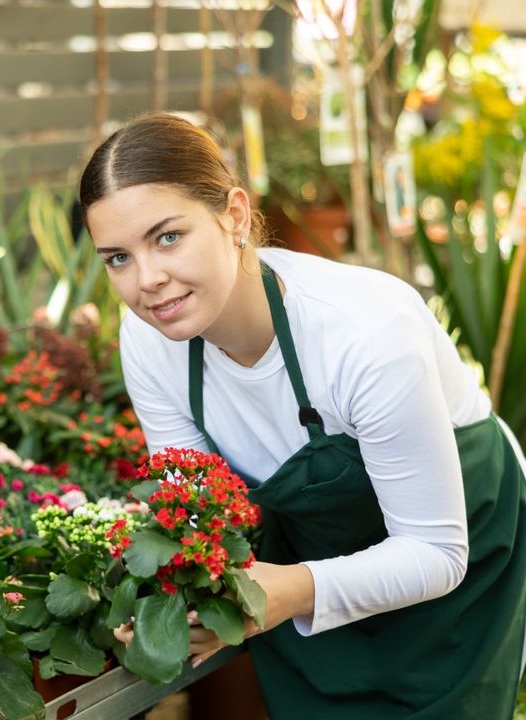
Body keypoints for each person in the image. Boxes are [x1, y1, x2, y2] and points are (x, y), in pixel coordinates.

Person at [78, 112, 526, 719]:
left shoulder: (366, 335)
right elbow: (193, 506)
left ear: (234, 215)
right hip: (306, 576)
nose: (147, 282)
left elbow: (434, 553)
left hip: (453, 574)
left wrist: (286, 590)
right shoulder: (149, 340)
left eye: (167, 237)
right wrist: (176, 603)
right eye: (117, 259)